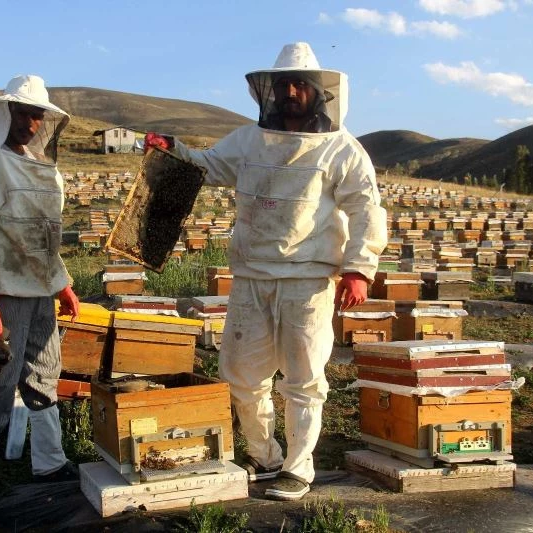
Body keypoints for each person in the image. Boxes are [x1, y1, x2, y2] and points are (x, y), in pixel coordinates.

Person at [145, 42, 387, 501]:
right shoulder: (248, 140)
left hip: (307, 279)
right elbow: (208, 165)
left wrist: (359, 268)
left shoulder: (342, 149)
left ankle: (298, 467)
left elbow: (366, 209)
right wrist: (173, 148)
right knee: (240, 373)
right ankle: (264, 454)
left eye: (300, 85)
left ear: (318, 92)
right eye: (283, 85)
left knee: (303, 378)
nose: (291, 92)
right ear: (269, 91)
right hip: (252, 275)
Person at [0, 74, 80, 528]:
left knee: (45, 375)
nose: (30, 123)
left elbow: (45, 236)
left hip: (41, 291)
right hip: (3, 292)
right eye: (23, 113)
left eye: (37, 116)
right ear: (6, 113)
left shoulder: (44, 166)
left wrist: (61, 283)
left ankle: (49, 464)